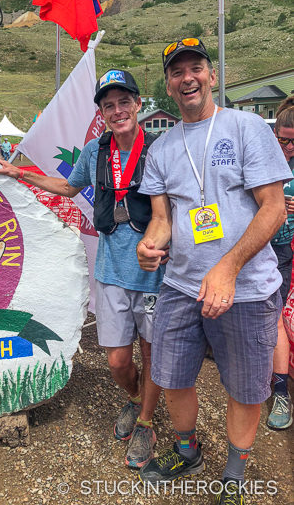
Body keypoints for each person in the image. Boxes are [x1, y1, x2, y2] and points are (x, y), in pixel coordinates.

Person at [136, 38, 291, 504]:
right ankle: (189, 452)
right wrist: (150, 246)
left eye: (195, 68)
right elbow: (162, 218)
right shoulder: (162, 147)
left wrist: (228, 266)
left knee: (245, 388)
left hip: (246, 289)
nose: (187, 78)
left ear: (212, 75)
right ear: (167, 84)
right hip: (181, 285)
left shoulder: (246, 127)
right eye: (177, 72)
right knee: (174, 376)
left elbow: (274, 208)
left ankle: (234, 476)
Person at [0, 69, 164, 469]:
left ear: (138, 104)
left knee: (154, 353)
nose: (117, 110)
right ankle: (138, 397)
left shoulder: (159, 148)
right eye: (109, 105)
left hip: (154, 273)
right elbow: (69, 187)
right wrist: (21, 173)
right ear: (102, 113)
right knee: (119, 360)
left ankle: (146, 420)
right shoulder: (94, 151)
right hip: (109, 271)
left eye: (124, 102)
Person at [268, 95, 294, 430]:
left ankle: (280, 392)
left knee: (273, 320)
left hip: (283, 251)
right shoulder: (259, 157)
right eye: (282, 139)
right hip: (250, 249)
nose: (287, 147)